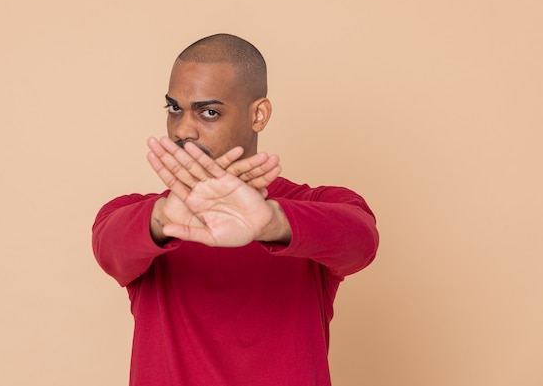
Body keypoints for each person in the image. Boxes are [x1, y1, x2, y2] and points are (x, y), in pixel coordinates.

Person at [92, 33, 379, 386]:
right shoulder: (142, 216)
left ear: (258, 114)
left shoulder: (315, 206)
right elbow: (109, 248)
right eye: (174, 109)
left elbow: (361, 241)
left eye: (208, 112)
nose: (183, 129)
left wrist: (273, 222)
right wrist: (166, 217)